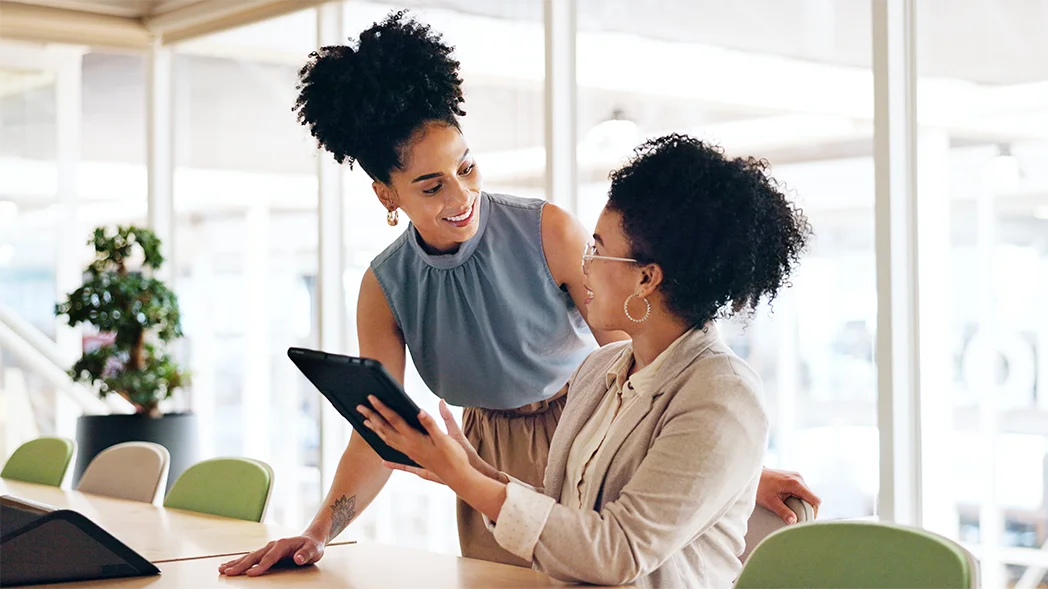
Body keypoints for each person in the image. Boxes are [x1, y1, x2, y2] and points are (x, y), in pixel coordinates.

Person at [219, 11, 818, 577]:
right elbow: (380, 431)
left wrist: (734, 474)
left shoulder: (550, 233)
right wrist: (321, 532)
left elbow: (645, 376)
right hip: (485, 456)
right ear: (387, 194)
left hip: (580, 436)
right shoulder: (386, 285)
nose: (460, 197)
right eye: (431, 186)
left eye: (467, 168)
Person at [360, 133, 811, 589]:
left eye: (597, 248)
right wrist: (468, 469)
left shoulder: (722, 393)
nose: (584, 263)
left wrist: (469, 481)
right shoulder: (600, 371)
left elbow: (617, 551)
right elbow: (567, 515)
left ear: (646, 278)